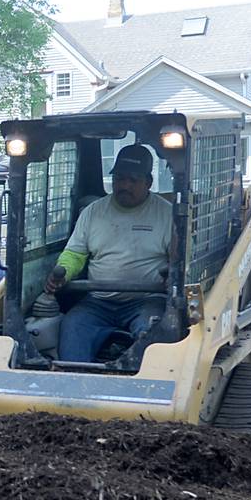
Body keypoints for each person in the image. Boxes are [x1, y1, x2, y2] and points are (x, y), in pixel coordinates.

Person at [44, 143, 171, 363]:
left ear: (148, 182)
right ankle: (76, 384)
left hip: (147, 300)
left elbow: (178, 260)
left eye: (133, 180)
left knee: (152, 337)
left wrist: (173, 274)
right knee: (72, 328)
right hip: (98, 301)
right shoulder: (93, 212)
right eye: (120, 178)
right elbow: (75, 253)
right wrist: (63, 272)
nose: (125, 185)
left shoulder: (167, 214)